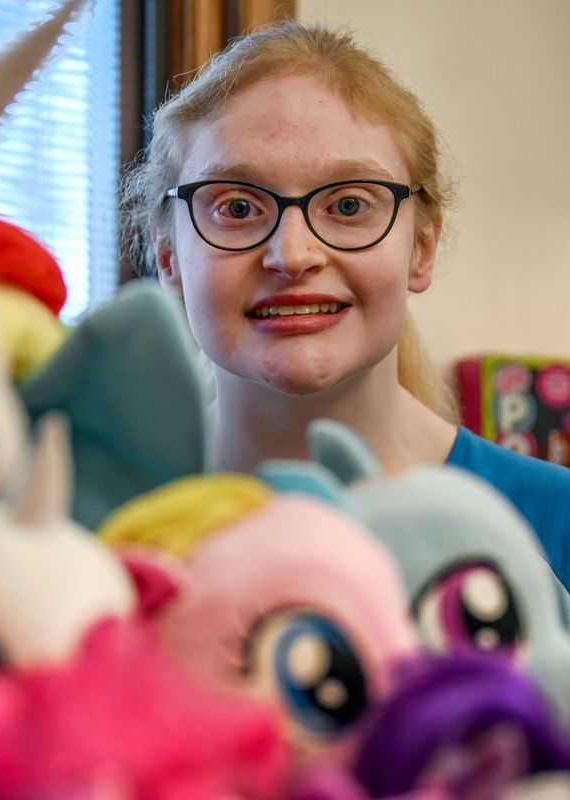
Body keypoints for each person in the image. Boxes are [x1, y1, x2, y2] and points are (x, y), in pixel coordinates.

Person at [121, 21, 570, 587]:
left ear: (421, 249)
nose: (293, 254)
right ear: (168, 257)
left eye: (351, 204)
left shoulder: (557, 523)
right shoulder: (100, 530)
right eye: (237, 208)